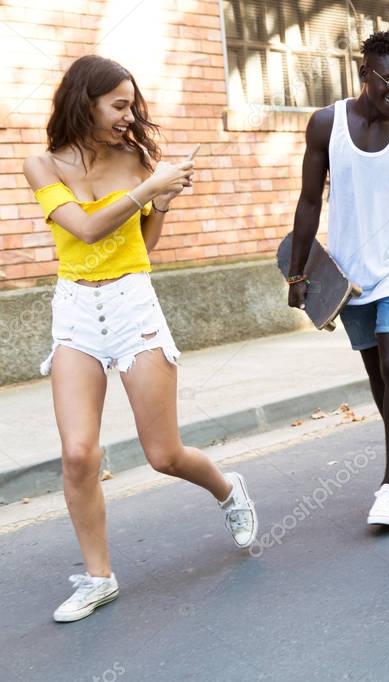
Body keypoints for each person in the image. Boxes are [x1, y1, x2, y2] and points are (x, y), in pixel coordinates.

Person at [22, 55, 257, 623]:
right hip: (76, 309)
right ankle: (98, 577)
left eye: (133, 105)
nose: (129, 116)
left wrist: (161, 205)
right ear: (86, 102)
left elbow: (140, 248)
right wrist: (148, 188)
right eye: (119, 106)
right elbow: (83, 228)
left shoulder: (136, 159)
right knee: (79, 453)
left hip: (132, 305)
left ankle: (229, 490)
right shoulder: (43, 165)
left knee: (163, 455)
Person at [288, 31, 389, 526]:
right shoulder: (325, 125)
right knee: (377, 374)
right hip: (349, 276)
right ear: (364, 73)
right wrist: (298, 272)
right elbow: (309, 202)